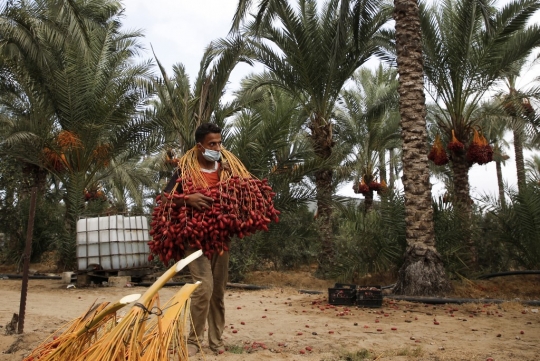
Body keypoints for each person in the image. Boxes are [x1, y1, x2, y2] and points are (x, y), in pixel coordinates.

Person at [164, 123, 230, 356]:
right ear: (199, 146)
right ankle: (193, 340)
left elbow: (237, 195)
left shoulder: (225, 168)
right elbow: (164, 199)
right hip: (194, 237)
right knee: (204, 288)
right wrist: (187, 199)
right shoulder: (185, 170)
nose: (217, 147)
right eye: (212, 144)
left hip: (221, 238)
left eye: (220, 143)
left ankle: (216, 341)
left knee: (218, 292)